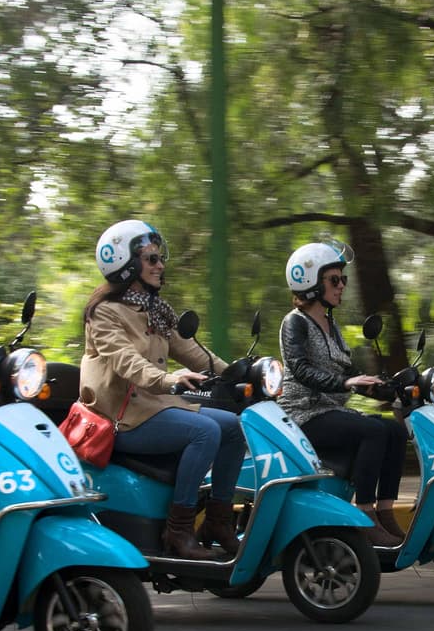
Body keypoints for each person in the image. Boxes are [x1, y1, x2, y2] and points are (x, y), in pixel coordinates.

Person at [78, 219, 246, 560]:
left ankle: (218, 521)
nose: (160, 265)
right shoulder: (104, 314)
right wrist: (170, 379)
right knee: (205, 432)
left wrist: (239, 374)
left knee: (233, 427)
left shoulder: (155, 309)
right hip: (121, 417)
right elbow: (127, 362)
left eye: (160, 258)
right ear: (127, 265)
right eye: (151, 259)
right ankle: (179, 530)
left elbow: (194, 352)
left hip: (153, 406)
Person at [277, 242, 407, 547]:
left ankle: (385, 511)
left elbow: (349, 372)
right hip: (303, 414)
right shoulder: (295, 322)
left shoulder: (331, 324)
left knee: (395, 431)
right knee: (373, 431)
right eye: (334, 279)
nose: (341, 286)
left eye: (343, 279)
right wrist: (346, 383)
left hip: (331, 411)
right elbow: (300, 369)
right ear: (311, 283)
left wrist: (386, 387)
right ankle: (364, 513)